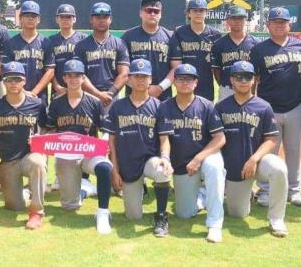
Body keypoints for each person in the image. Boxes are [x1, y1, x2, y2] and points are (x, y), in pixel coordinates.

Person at [216, 61, 288, 237]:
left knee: (278, 168)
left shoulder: (263, 106)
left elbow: (271, 139)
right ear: (231, 80)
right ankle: (248, 193)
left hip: (259, 161)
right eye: (238, 77)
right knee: (237, 214)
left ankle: (276, 219)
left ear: (254, 80)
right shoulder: (220, 107)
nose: (243, 81)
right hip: (235, 168)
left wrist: (254, 159)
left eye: (247, 77)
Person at [156, 64, 226, 243]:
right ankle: (203, 195)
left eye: (189, 79)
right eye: (180, 79)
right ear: (174, 83)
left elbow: (220, 139)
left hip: (205, 157)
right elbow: (164, 139)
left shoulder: (206, 106)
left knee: (215, 166)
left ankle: (214, 225)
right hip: (182, 166)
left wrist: (198, 158)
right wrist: (165, 158)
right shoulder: (165, 107)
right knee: (184, 214)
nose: (185, 82)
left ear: (196, 83)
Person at [104, 59, 173, 237]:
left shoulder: (159, 106)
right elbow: (111, 142)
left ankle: (161, 216)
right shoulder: (118, 107)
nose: (140, 80)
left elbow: (164, 139)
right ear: (128, 80)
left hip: (150, 159)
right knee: (133, 216)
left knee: (161, 171)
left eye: (145, 77)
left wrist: (165, 158)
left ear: (151, 80)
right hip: (127, 163)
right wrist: (115, 171)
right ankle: (140, 188)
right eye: (136, 76)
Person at [0, 62, 48, 230]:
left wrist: (40, 138)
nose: (13, 83)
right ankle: (23, 193)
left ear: (24, 81)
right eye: (9, 79)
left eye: (17, 79)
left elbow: (48, 129)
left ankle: (36, 212)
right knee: (14, 206)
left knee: (38, 163)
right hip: (6, 161)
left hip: (28, 156)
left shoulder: (37, 105)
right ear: (4, 81)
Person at [46, 59, 113, 234]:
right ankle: (84, 190)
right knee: (70, 206)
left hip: (89, 152)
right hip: (66, 155)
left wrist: (104, 144)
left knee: (105, 167)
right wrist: (40, 140)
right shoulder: (56, 103)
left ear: (83, 78)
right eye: (70, 76)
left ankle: (103, 213)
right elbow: (52, 132)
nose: (74, 79)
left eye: (78, 76)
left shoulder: (94, 102)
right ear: (64, 78)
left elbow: (105, 129)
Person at [250, 7, 301, 207]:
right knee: (268, 151)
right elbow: (253, 79)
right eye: (275, 22)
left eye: (283, 22)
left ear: (289, 24)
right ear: (268, 26)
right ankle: (265, 190)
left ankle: (295, 190)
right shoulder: (259, 49)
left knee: (294, 149)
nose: (279, 25)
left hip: (296, 105)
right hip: (269, 107)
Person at [74, 2, 130, 113]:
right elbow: (79, 74)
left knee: (109, 130)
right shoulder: (81, 45)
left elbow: (124, 74)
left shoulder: (119, 44)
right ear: (91, 19)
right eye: (97, 17)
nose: (101, 20)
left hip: (111, 97)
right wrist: (98, 94)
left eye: (105, 17)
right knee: (87, 130)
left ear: (110, 19)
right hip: (87, 96)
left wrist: (110, 94)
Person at [122, 0, 175, 101]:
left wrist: (160, 88)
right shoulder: (128, 36)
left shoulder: (171, 37)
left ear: (160, 14)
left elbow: (176, 67)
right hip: (133, 96)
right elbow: (121, 69)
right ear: (141, 13)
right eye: (148, 10)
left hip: (163, 95)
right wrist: (140, 88)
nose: (152, 14)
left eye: (156, 11)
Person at [169, 0, 223, 101]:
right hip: (185, 83)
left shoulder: (215, 34)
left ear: (206, 13)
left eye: (202, 10)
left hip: (206, 85)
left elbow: (217, 66)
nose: (198, 13)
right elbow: (176, 63)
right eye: (195, 10)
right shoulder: (179, 33)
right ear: (188, 13)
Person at [2, 1, 54, 104]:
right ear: (20, 18)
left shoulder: (46, 43)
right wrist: (23, 92)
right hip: (15, 94)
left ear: (38, 19)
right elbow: (5, 70)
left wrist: (34, 92)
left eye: (34, 16)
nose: (30, 18)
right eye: (27, 15)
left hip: (39, 96)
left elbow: (50, 71)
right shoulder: (10, 43)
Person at [211, 5, 259, 100]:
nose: (237, 21)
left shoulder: (256, 43)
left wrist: (252, 89)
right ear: (227, 21)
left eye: (240, 18)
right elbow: (216, 71)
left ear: (245, 20)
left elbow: (257, 71)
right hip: (227, 89)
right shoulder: (218, 44)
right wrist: (224, 85)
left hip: (248, 88)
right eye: (233, 18)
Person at [48, 4, 87, 99]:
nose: (65, 19)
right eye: (62, 17)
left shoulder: (84, 39)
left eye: (68, 17)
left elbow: (87, 67)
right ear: (57, 19)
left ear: (74, 19)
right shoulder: (51, 40)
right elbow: (49, 68)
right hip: (58, 90)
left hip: (80, 89)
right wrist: (57, 87)